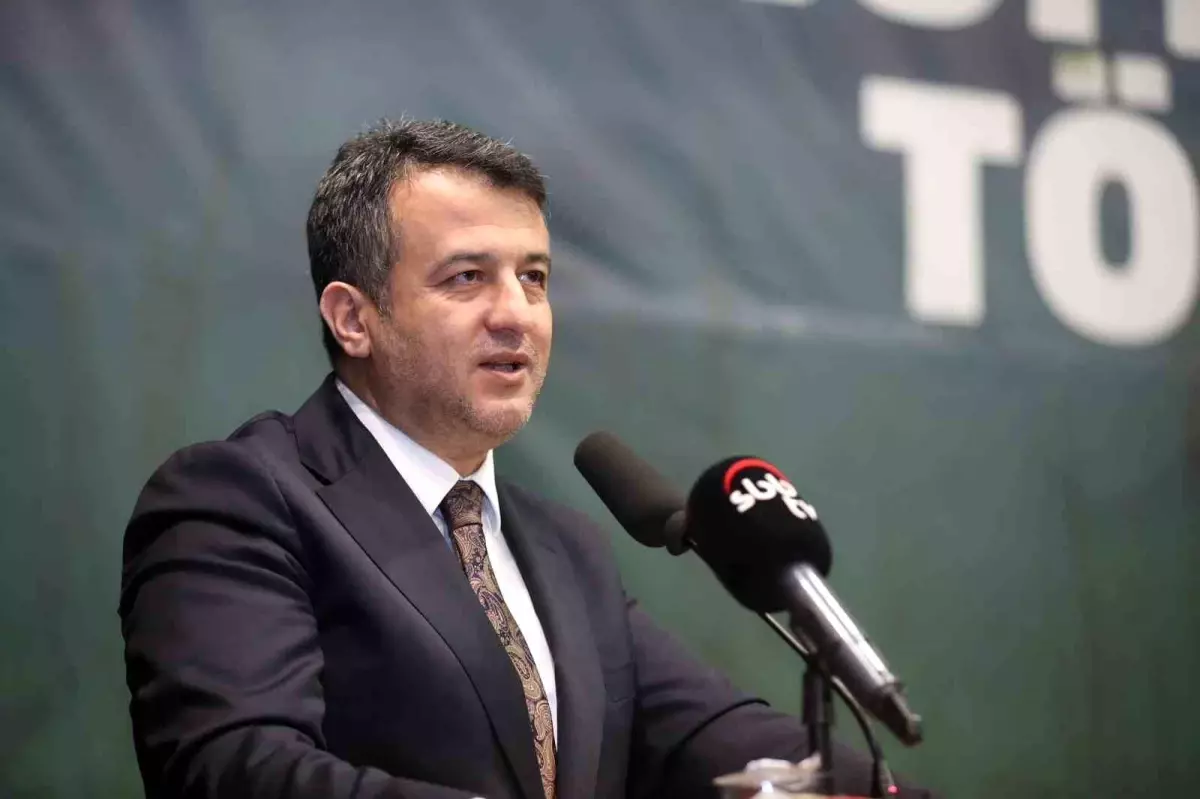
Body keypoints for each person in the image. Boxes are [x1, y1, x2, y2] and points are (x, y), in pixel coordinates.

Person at [119, 119, 933, 799]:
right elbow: (234, 768)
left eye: (534, 277)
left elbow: (712, 732)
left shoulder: (564, 549)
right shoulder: (240, 498)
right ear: (353, 319)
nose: (517, 314)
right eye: (467, 277)